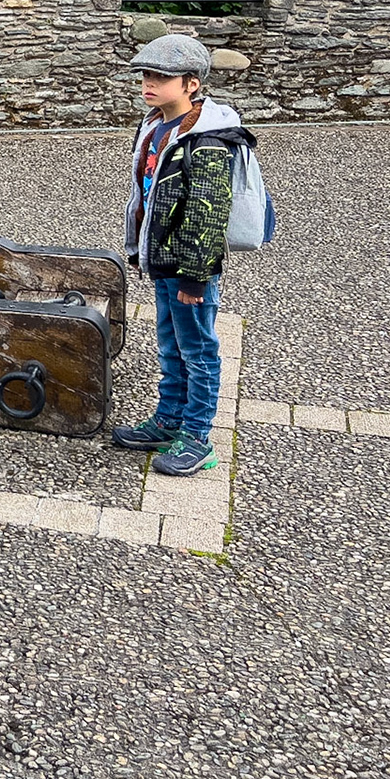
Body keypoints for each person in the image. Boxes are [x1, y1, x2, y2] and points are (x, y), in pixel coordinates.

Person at [111, 34, 252, 476]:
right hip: (163, 260)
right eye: (146, 74)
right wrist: (140, 250)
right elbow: (147, 195)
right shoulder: (155, 126)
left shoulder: (208, 139)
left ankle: (198, 438)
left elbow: (207, 213)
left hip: (192, 268)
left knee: (199, 349)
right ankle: (168, 421)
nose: (148, 83)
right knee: (171, 346)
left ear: (192, 83)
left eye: (161, 77)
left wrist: (195, 277)